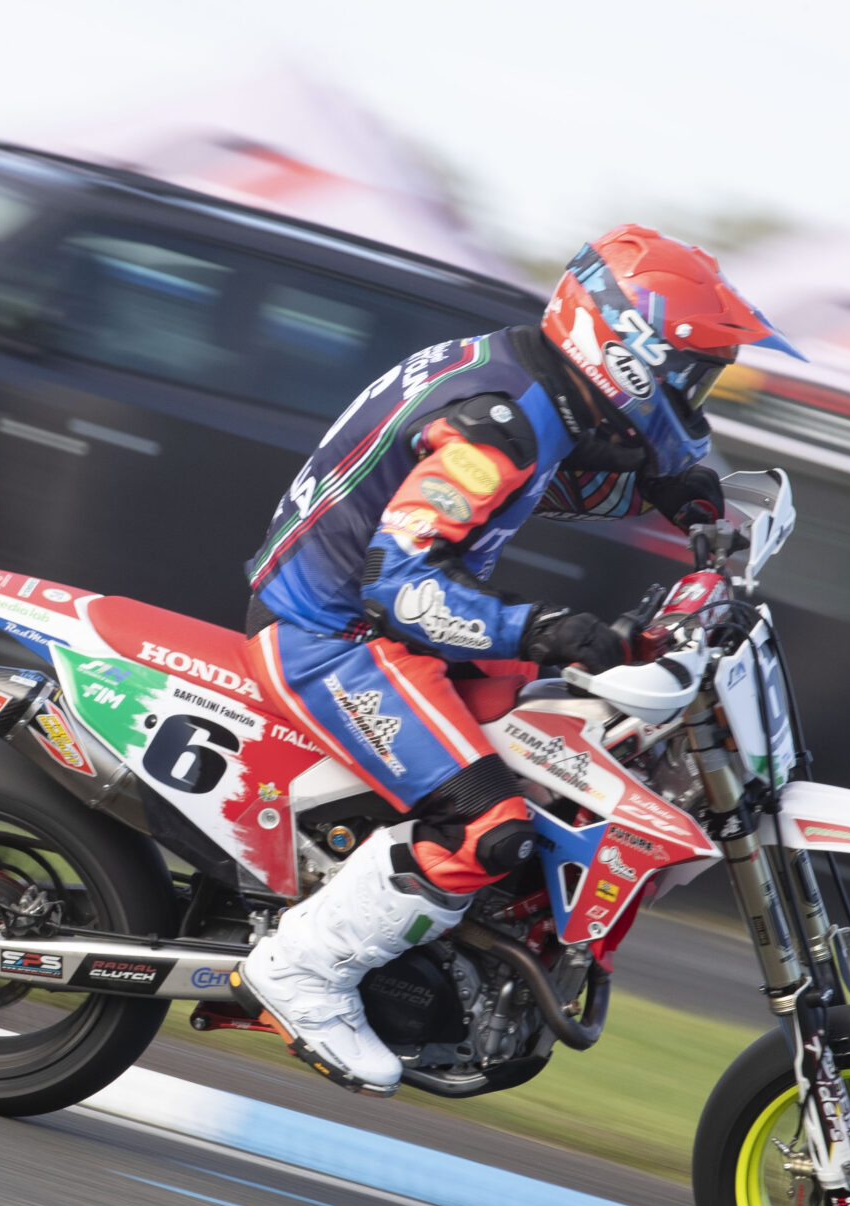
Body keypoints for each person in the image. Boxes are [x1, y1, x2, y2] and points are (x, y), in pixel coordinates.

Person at [235, 225, 795, 1094]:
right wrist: (539, 627)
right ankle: (303, 968)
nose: (695, 394)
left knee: (564, 734)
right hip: (332, 635)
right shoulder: (494, 423)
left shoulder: (537, 386)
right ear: (627, 350)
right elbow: (399, 585)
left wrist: (679, 499)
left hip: (379, 630)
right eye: (689, 372)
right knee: (488, 826)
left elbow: (572, 472)